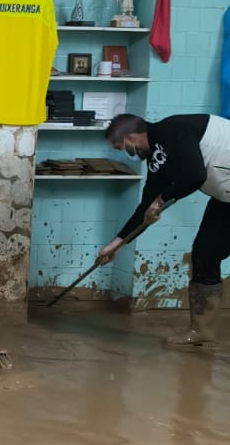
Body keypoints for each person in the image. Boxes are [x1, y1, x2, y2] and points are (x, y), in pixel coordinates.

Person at [98, 111, 230, 349]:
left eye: (121, 147)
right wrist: (116, 244)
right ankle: (202, 332)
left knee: (206, 253)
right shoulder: (158, 158)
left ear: (130, 138)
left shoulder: (173, 129)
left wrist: (162, 200)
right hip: (226, 199)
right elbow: (145, 208)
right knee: (205, 253)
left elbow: (194, 176)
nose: (126, 153)